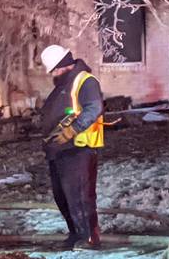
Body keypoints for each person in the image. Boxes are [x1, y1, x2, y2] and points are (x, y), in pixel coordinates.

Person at [39, 44, 104, 250]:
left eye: (54, 69)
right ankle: (76, 234)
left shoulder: (85, 81)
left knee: (80, 196)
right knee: (63, 196)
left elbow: (94, 108)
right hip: (59, 150)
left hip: (78, 148)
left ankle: (89, 238)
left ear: (64, 64)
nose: (53, 73)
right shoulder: (63, 84)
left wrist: (72, 130)